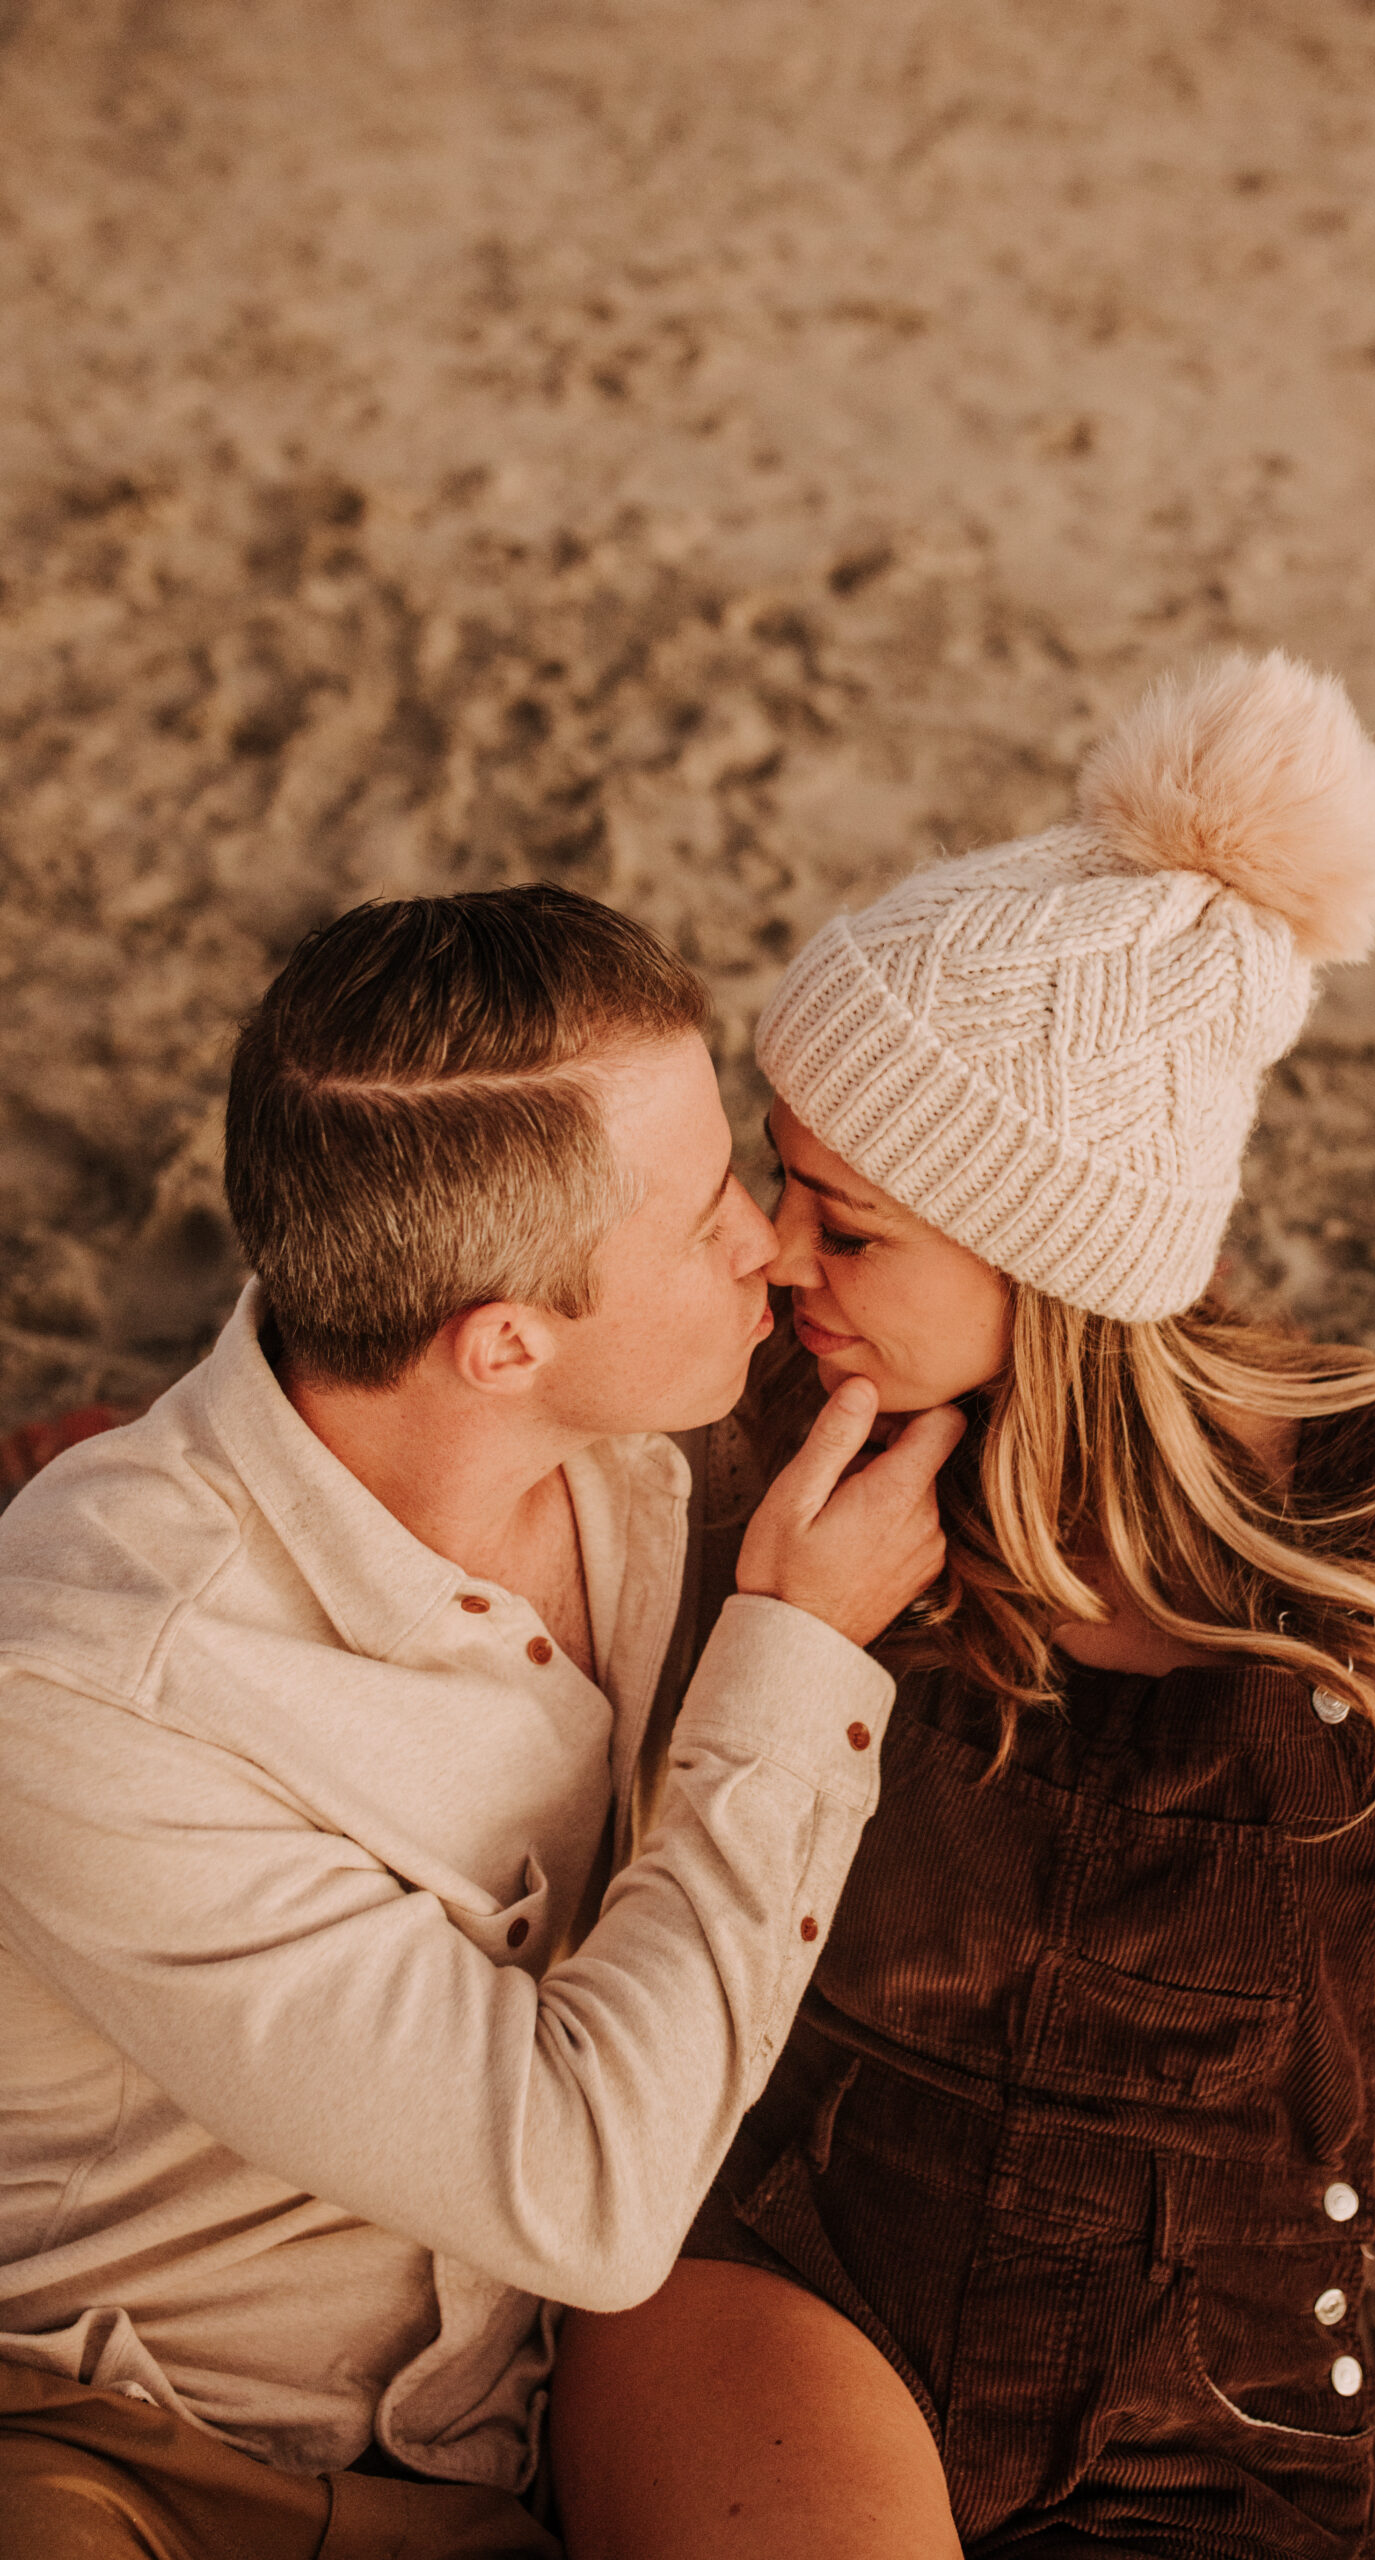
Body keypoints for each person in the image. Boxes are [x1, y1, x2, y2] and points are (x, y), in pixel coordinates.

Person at [552, 653, 1375, 2560]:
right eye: (791, 1185)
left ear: (1050, 1259)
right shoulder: (757, 1438)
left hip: (1224, 2379)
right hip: (790, 2265)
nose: (776, 1254)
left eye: (846, 1221)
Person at [0, 885, 963, 2559]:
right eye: (704, 1216)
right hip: (124, 2454)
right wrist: (793, 1659)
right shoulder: (93, 1688)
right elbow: (584, 2192)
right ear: (504, 1343)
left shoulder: (660, 1452)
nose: (767, 1246)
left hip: (513, 2452)